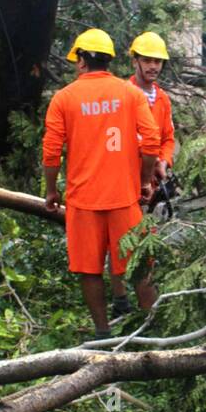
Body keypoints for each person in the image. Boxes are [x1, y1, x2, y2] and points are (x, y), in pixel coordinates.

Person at [42, 27, 161, 339]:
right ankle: (156, 333)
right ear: (109, 60)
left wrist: (52, 191)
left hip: (83, 203)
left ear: (81, 61)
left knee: (89, 269)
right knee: (138, 267)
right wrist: (144, 181)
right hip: (124, 198)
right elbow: (151, 142)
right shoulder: (131, 94)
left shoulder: (64, 99)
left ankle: (103, 334)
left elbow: (52, 152)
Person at [108, 31, 177, 317]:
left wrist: (164, 161)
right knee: (118, 240)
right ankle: (121, 299)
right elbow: (112, 138)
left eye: (158, 61)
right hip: (124, 179)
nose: (153, 66)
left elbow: (168, 138)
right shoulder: (120, 95)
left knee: (144, 241)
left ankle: (147, 309)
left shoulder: (162, 100)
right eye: (148, 60)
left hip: (151, 181)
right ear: (135, 60)